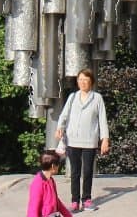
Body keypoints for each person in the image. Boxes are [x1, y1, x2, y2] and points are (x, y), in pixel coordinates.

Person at [55, 68, 110, 213]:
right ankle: (74, 201)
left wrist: (105, 139)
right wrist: (59, 127)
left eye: (85, 79)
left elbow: (102, 120)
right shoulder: (72, 97)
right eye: (80, 79)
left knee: (87, 171)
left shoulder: (97, 98)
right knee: (75, 172)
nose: (82, 82)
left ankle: (86, 199)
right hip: (72, 140)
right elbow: (64, 115)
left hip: (90, 140)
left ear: (91, 81)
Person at [27, 150, 73, 217]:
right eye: (58, 164)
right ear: (53, 166)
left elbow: (56, 201)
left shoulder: (51, 180)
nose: (59, 166)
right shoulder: (38, 184)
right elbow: (33, 209)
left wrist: (68, 215)